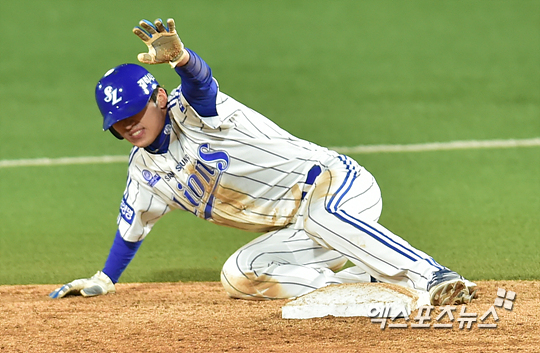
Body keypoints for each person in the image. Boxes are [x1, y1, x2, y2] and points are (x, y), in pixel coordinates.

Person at [50, 17, 477, 305]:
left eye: (133, 114)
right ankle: (368, 284)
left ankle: (435, 277)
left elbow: (201, 83)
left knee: (323, 216)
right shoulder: (144, 172)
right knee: (239, 274)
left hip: (337, 185)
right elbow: (131, 230)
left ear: (159, 98)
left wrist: (181, 59)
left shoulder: (195, 111)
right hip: (300, 229)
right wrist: (104, 279)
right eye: (117, 123)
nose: (126, 126)